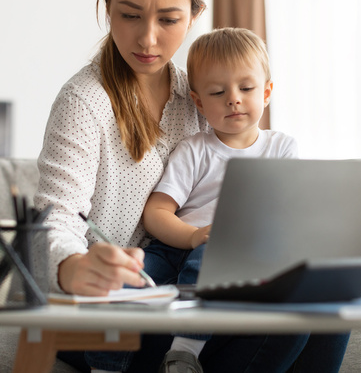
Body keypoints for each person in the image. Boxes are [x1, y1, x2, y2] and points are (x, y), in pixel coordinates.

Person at [34, 0, 348, 373]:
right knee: (287, 322)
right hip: (110, 310)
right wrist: (72, 266)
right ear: (106, 7)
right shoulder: (84, 102)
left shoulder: (204, 96)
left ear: (195, 15)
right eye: (130, 15)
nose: (147, 39)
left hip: (190, 296)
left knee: (326, 299)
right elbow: (53, 220)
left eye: (168, 20)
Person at [87, 27, 298, 372]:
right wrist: (192, 236)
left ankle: (183, 353)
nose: (234, 98)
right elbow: (156, 212)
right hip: (173, 248)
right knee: (122, 284)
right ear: (198, 101)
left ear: (267, 91)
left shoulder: (281, 148)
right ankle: (105, 367)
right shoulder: (195, 149)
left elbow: (288, 213)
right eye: (218, 92)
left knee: (212, 256)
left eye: (246, 88)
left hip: (229, 253)